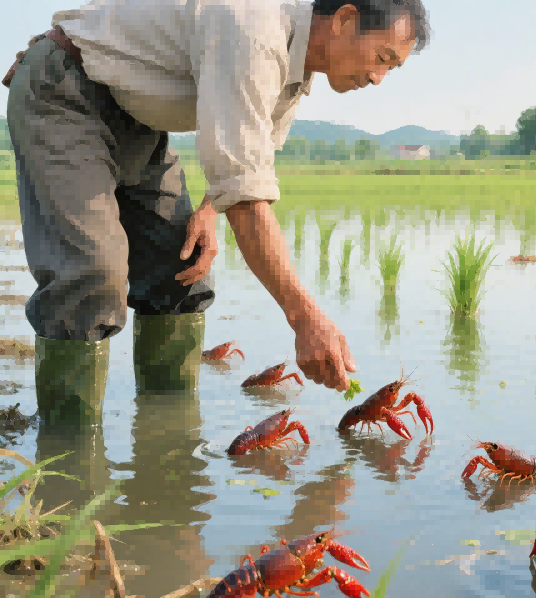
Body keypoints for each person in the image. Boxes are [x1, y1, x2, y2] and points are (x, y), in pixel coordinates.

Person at [3, 0, 430, 427]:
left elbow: (244, 162)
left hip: (137, 118)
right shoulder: (255, 32)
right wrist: (306, 318)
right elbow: (246, 201)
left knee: (181, 266)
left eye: (391, 69)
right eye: (382, 58)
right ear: (345, 19)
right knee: (91, 275)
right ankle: (68, 459)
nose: (377, 78)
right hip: (69, 90)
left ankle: (166, 447)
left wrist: (207, 210)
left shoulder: (295, 74)